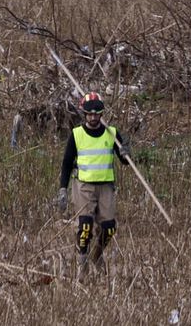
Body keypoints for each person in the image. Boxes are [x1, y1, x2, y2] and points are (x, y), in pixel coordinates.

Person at [56, 92, 130, 274]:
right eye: (90, 114)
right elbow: (66, 163)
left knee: (109, 228)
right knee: (85, 227)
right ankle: (82, 261)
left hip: (106, 186)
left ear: (101, 114)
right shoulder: (77, 135)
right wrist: (63, 189)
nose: (93, 117)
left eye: (97, 114)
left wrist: (126, 152)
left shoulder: (112, 134)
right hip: (83, 186)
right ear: (85, 114)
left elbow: (125, 161)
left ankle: (97, 255)